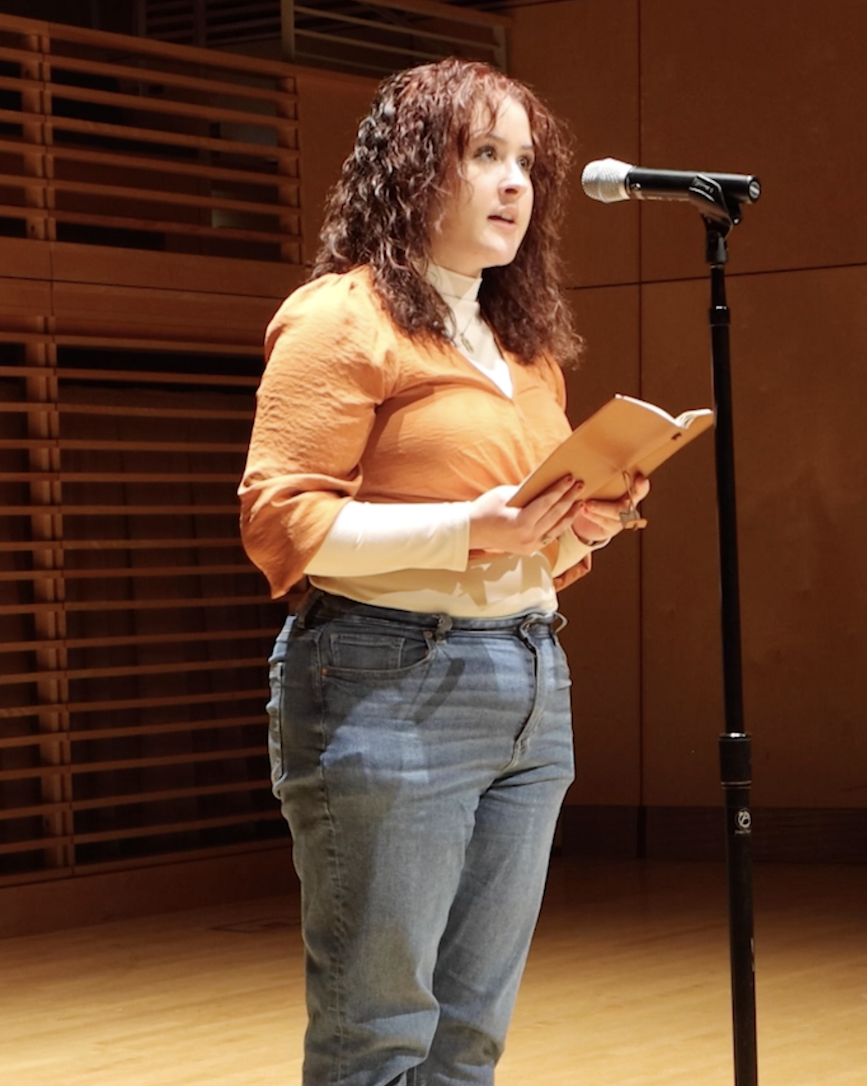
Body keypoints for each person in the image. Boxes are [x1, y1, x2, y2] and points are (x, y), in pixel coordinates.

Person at [238, 57, 649, 1086]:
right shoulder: (341, 315)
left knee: (469, 1037)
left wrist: (583, 524)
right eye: (484, 155)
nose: (515, 183)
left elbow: (524, 538)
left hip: (526, 678)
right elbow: (279, 519)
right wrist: (471, 525)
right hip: (387, 678)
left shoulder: (525, 349)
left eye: (524, 162)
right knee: (380, 1031)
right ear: (416, 171)